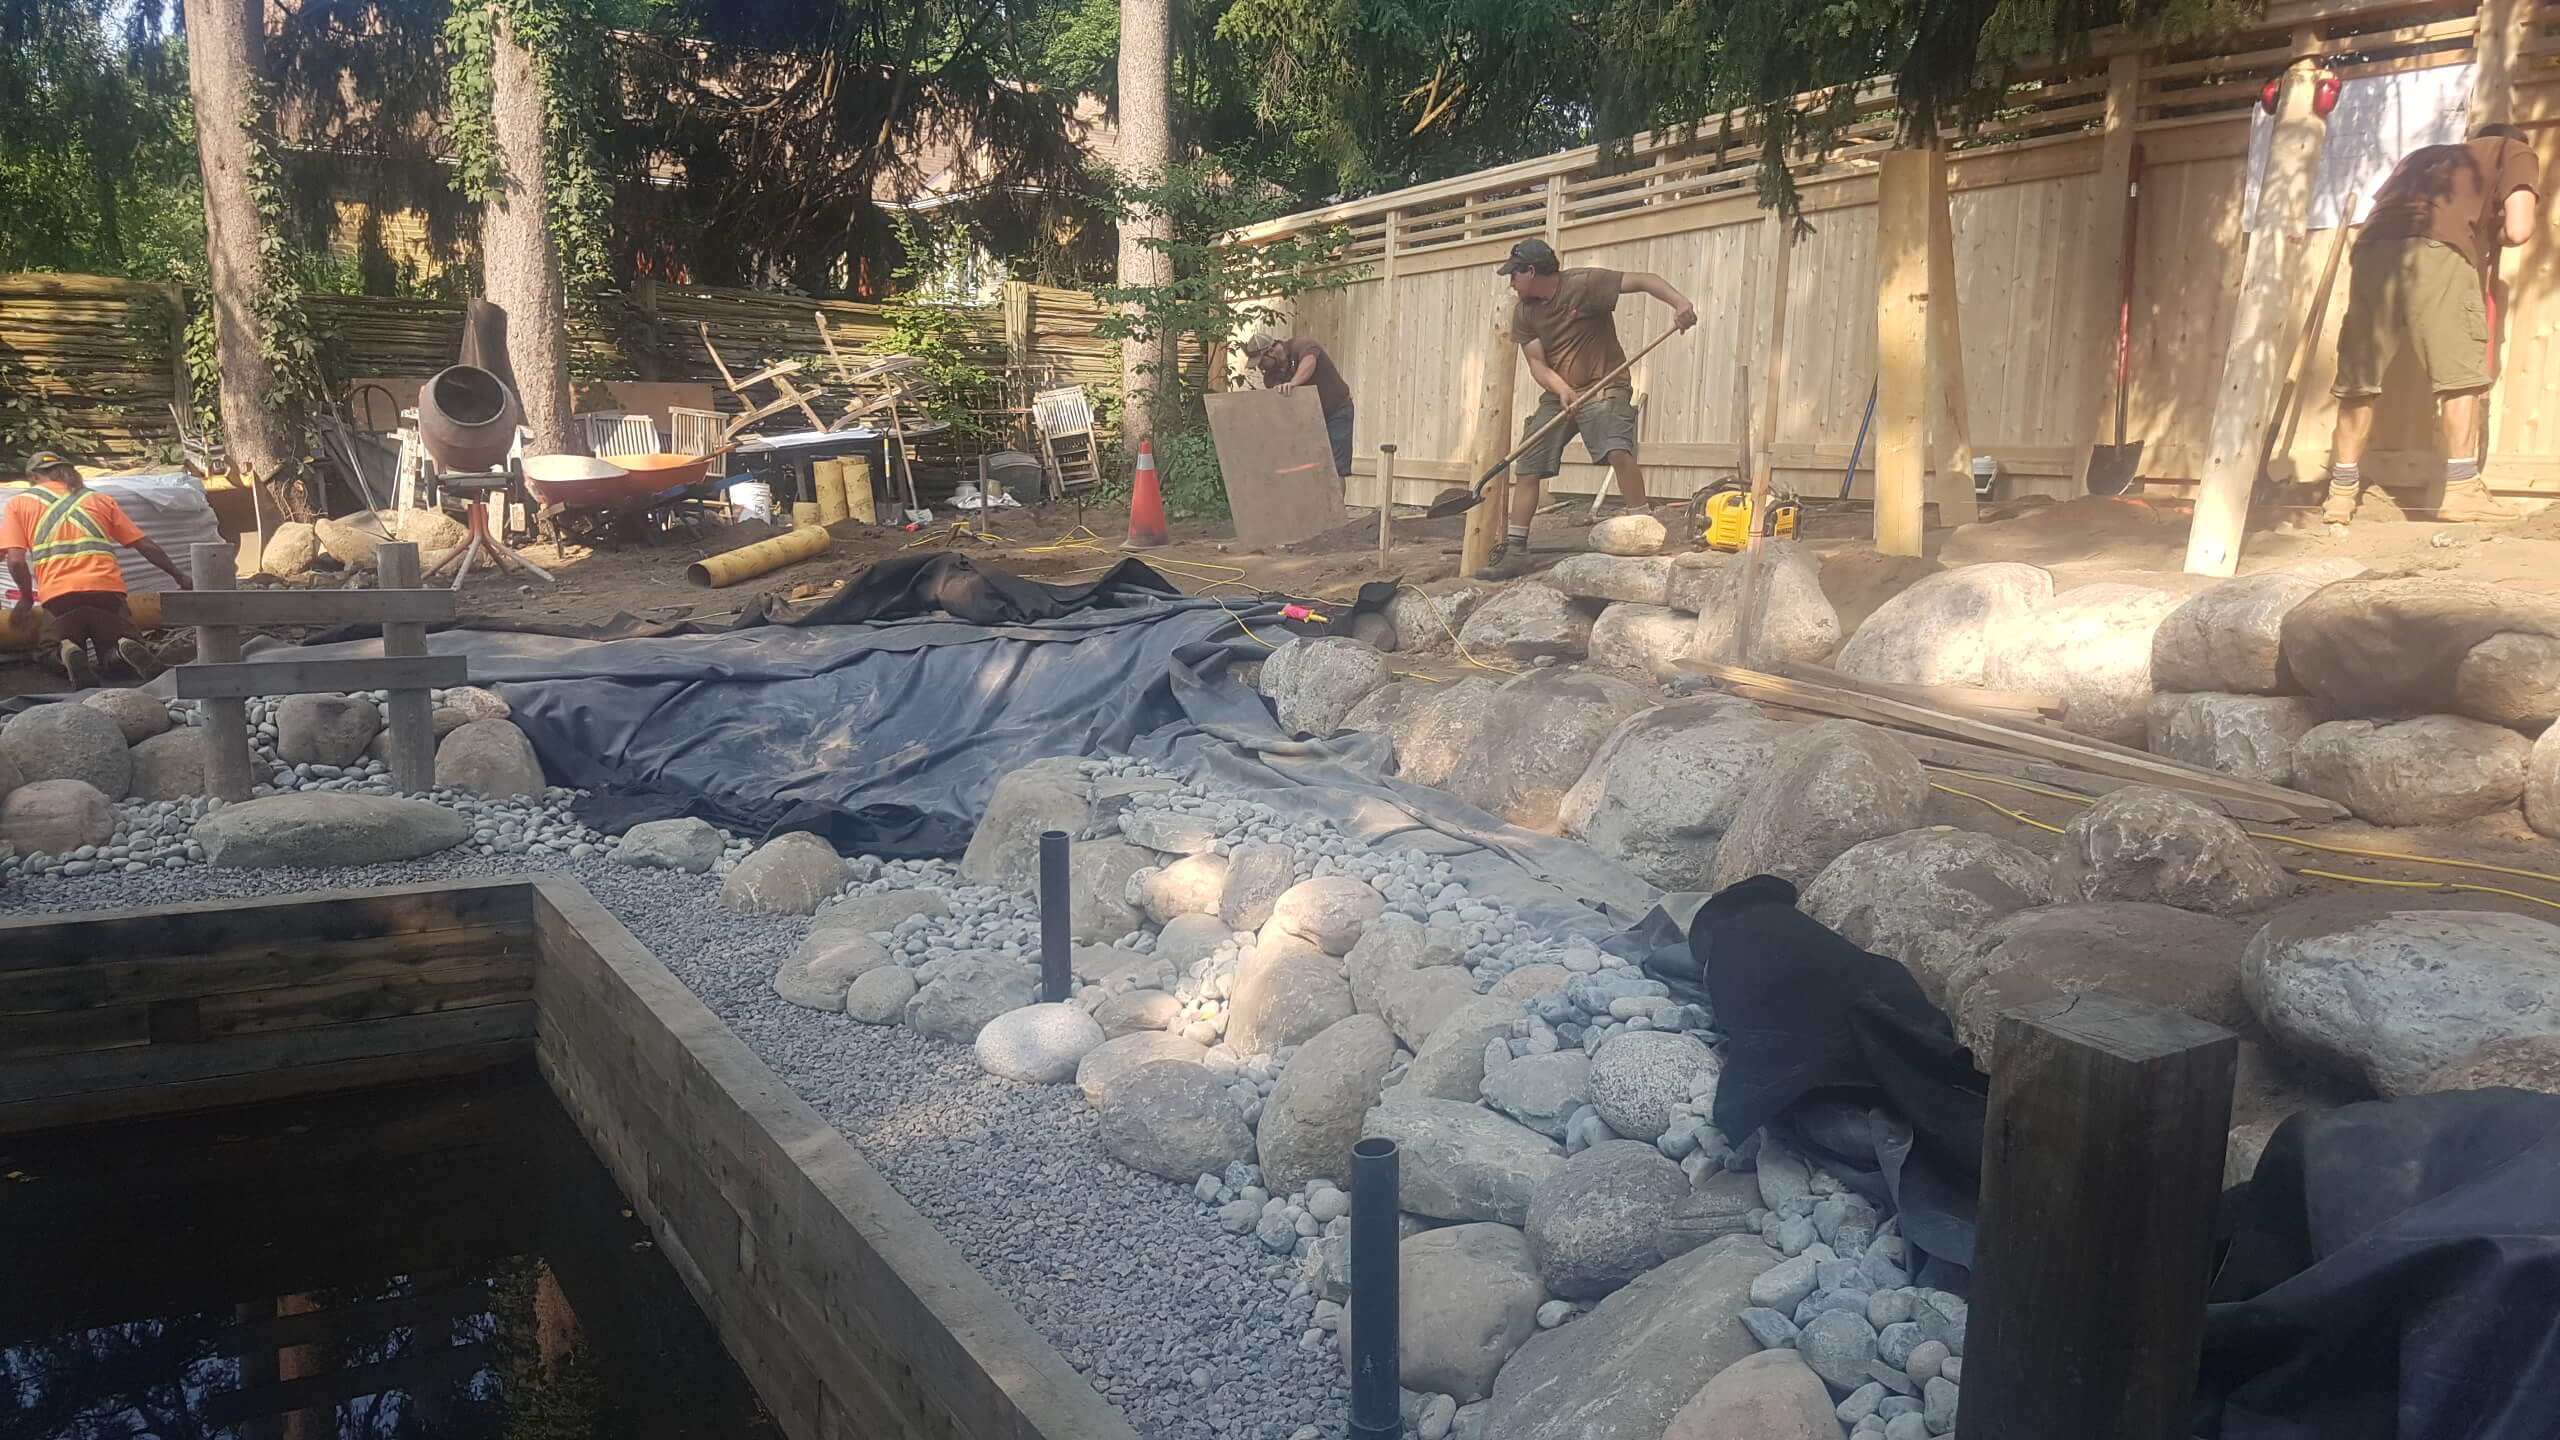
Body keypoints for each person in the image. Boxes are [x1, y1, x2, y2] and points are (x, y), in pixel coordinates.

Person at [2324, 123, 2541, 526]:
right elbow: (2520, 227)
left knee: (2360, 378)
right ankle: (2462, 491)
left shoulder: (2420, 158)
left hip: (2371, 250)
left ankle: (2340, 493)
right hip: (2437, 248)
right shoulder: (2513, 150)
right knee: (2460, 374)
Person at [1482, 237, 1696, 579]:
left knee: (1617, 449)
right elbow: (1536, 362)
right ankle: (1517, 551)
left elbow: (1645, 280)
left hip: (1605, 385)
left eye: (1514, 275)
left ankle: (1645, 534)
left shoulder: (1585, 285)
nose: (1510, 281)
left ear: (1531, 271)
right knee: (1529, 463)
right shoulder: (1524, 311)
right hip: (1560, 394)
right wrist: (1561, 388)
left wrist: (1680, 303)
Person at [2, 452, 192, 687]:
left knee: (48, 651)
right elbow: (144, 545)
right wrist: (179, 575)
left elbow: (15, 561)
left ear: (33, 476)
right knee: (118, 652)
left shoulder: (20, 504)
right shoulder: (99, 500)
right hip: (108, 593)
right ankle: (121, 652)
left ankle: (65, 654)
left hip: (60, 597)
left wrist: (25, 598)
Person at [1243, 331, 1357, 478]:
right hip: (1309, 419)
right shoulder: (1270, 378)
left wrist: (1293, 383)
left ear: (1270, 351)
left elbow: (1310, 362)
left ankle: (1335, 502)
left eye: (1262, 363)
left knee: (1335, 471)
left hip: (1337, 411)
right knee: (1309, 468)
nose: (1261, 369)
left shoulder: (1301, 344)